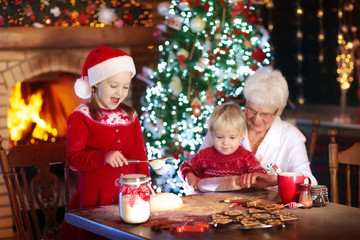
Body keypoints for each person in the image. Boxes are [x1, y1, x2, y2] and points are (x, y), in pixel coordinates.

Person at [60, 46, 150, 239]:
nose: (120, 92)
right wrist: (104, 156)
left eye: (125, 86)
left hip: (130, 199)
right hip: (95, 201)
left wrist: (146, 185)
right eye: (114, 85)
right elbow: (74, 159)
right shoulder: (81, 117)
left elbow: (139, 156)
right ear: (95, 83)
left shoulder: (130, 116)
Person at [200, 67, 318, 186]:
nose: (257, 119)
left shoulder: (290, 137)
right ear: (246, 103)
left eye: (265, 114)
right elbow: (195, 174)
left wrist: (276, 179)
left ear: (280, 110)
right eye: (252, 110)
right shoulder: (224, 125)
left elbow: (310, 181)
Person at [179, 102, 271, 194]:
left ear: (241, 134)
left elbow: (260, 174)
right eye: (219, 137)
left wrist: (252, 177)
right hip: (208, 202)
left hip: (237, 203)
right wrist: (189, 176)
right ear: (211, 133)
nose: (225, 143)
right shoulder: (204, 155)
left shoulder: (245, 157)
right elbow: (185, 166)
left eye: (232, 137)